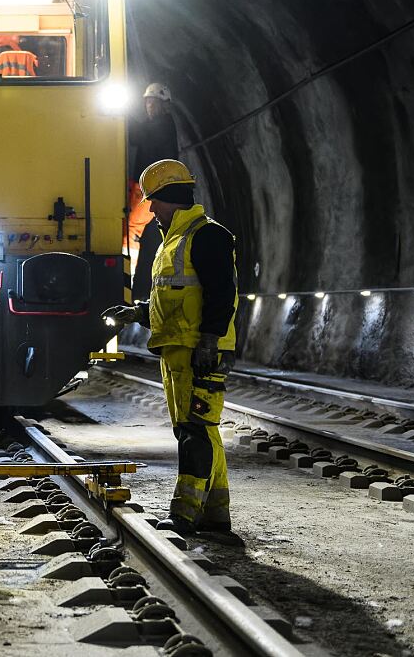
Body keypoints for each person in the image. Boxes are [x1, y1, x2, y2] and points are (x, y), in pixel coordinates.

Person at [104, 159, 241, 546]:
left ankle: (183, 514)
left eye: (154, 201)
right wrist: (139, 312)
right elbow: (176, 299)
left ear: (171, 198)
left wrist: (210, 341)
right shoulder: (174, 240)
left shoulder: (207, 235)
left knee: (193, 430)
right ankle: (215, 515)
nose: (150, 210)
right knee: (199, 428)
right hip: (178, 348)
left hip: (198, 350)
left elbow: (222, 294)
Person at [127, 83, 181, 300]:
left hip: (151, 188)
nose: (149, 106)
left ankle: (126, 278)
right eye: (147, 102)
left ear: (163, 106)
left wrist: (123, 114)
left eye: (153, 103)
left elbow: (138, 135)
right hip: (146, 186)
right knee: (132, 228)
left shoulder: (163, 125)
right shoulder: (158, 125)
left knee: (132, 228)